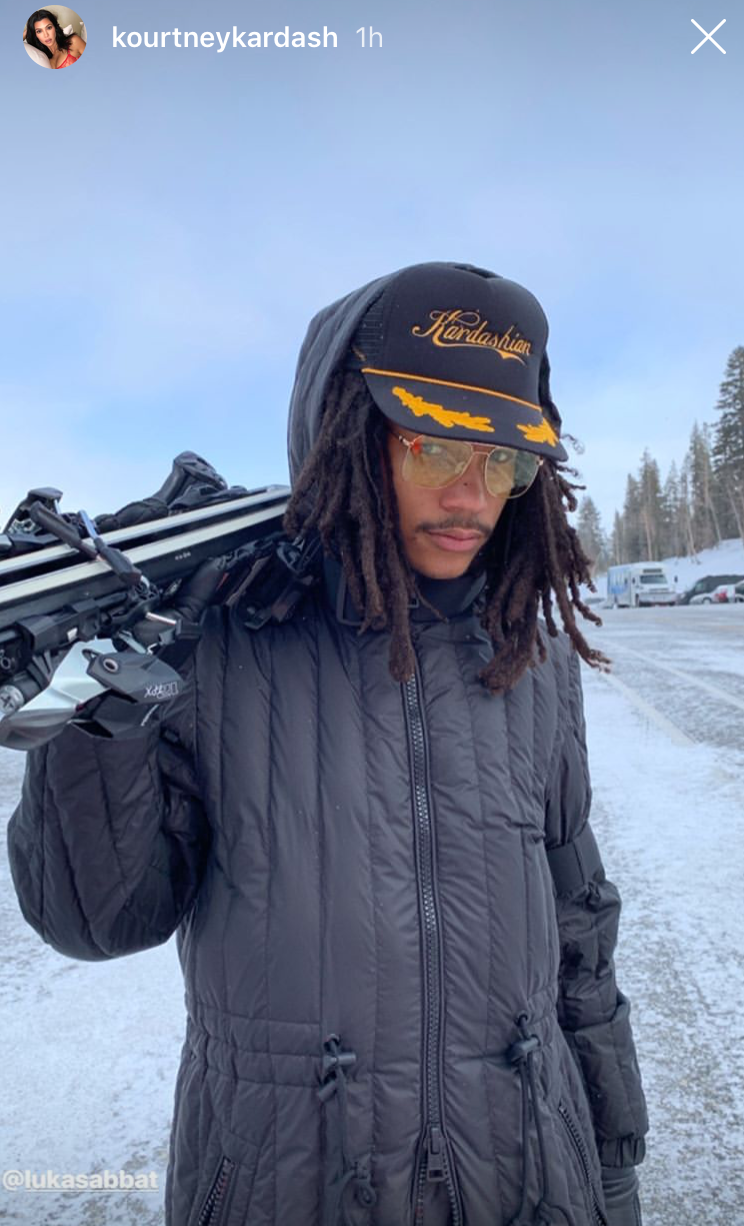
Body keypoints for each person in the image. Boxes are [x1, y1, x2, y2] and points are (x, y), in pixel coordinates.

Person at [8, 262, 648, 1226]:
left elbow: (577, 923)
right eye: (436, 448)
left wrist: (610, 1154)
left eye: (507, 462)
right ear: (345, 432)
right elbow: (98, 921)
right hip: (283, 1183)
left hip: (527, 1177)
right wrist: (99, 703)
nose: (475, 497)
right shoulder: (221, 636)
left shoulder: (532, 653)